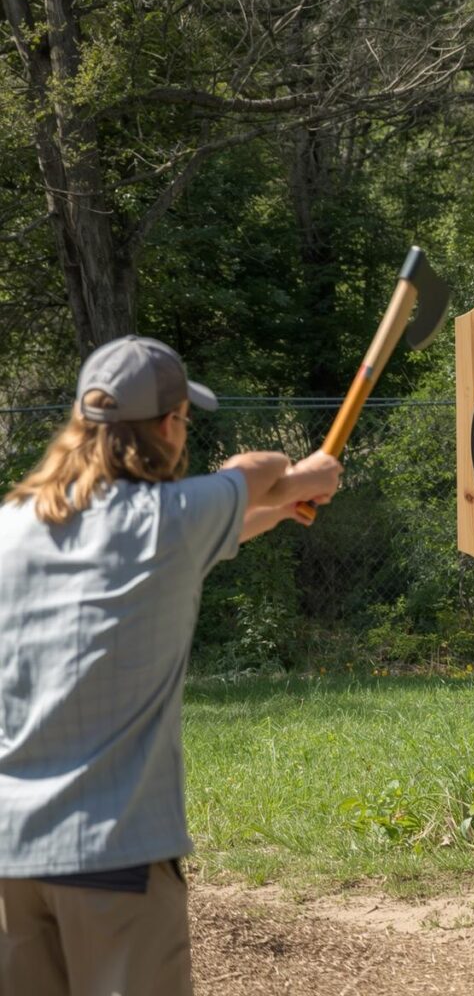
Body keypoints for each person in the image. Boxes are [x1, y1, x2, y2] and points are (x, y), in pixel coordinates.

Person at [0, 335, 341, 995]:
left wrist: (274, 504)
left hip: (10, 854)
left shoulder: (12, 526)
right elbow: (259, 465)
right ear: (168, 426)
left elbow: (232, 521)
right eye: (184, 418)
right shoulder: (167, 523)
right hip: (115, 856)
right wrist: (309, 477)